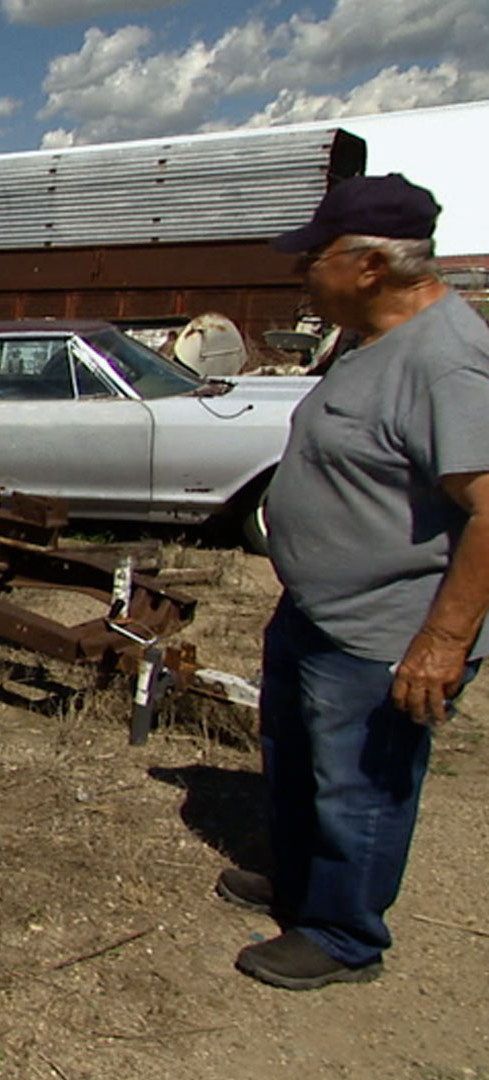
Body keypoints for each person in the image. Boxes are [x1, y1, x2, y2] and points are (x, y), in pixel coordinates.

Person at [220, 173, 489, 990]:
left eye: (315, 257)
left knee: (361, 786)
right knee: (299, 763)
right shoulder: (374, 341)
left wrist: (443, 641)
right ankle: (305, 886)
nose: (301, 272)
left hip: (384, 628)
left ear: (369, 265)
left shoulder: (446, 361)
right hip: (318, 612)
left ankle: (343, 935)